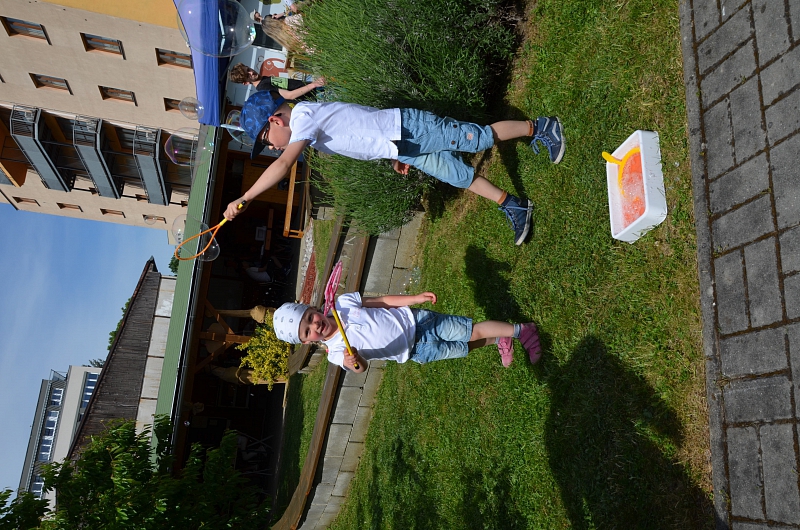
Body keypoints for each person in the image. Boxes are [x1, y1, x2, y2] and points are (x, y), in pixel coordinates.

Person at [224, 91, 565, 246]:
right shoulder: (306, 128)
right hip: (401, 144)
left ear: (275, 120)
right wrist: (392, 154)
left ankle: (540, 127)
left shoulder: (302, 118)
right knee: (457, 175)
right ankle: (514, 205)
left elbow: (284, 163)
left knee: (476, 139)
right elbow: (358, 132)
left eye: (266, 140)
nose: (272, 147)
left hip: (411, 128)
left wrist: (245, 197)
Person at [272, 292, 542, 372]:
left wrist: (414, 298)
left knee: (469, 332)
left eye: (310, 317)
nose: (315, 325)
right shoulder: (336, 353)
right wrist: (353, 359)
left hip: (418, 322)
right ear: (306, 342)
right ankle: (500, 337)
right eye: (307, 331)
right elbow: (360, 368)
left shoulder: (343, 304)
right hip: (415, 351)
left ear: (313, 308)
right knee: (464, 347)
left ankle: (522, 331)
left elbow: (382, 302)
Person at [229, 63, 324, 100]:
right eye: (248, 75)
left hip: (313, 88)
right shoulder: (263, 88)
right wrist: (313, 85)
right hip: (314, 94)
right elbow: (289, 95)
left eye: (248, 69)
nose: (251, 72)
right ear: (246, 83)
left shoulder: (263, 80)